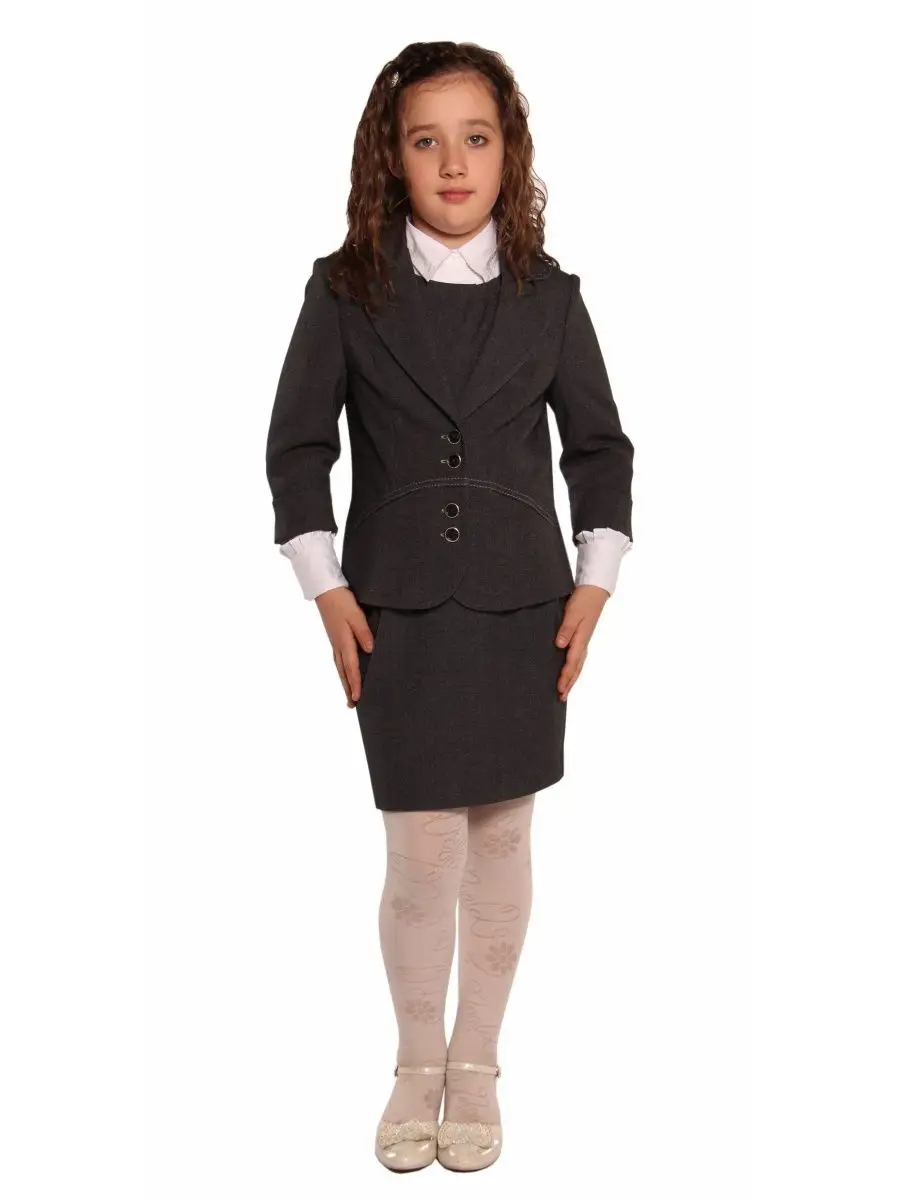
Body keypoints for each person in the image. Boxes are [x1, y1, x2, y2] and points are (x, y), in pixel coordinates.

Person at [265, 40, 634, 1172]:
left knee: (505, 834)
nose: (454, 163)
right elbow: (297, 450)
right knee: (422, 850)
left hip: (525, 608)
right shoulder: (344, 290)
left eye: (477, 137)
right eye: (427, 141)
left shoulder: (552, 297)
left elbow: (601, 450)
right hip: (400, 610)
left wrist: (596, 579)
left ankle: (478, 1062)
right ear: (393, 157)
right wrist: (325, 586)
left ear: (509, 151)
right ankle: (415, 1058)